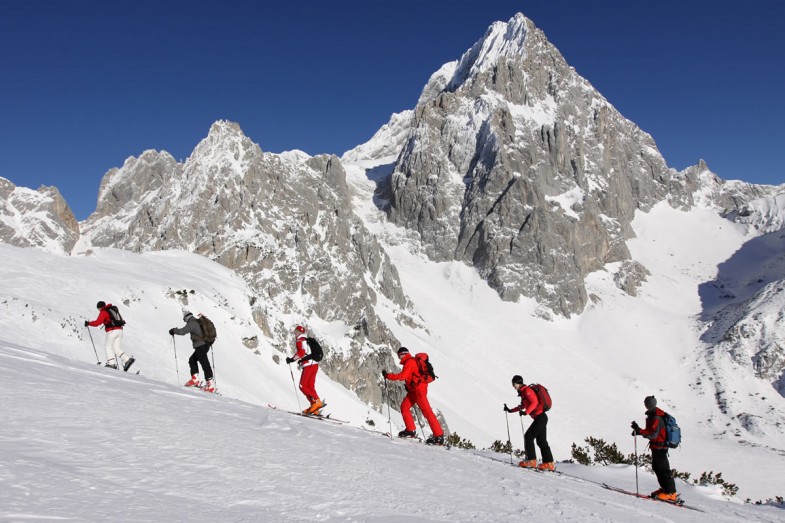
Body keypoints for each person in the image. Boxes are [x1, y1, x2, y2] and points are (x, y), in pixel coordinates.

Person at [382, 347, 444, 445]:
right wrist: (409, 386)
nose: (399, 358)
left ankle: (439, 436)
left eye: (399, 355)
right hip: (414, 390)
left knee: (427, 412)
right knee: (404, 407)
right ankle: (410, 430)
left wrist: (388, 376)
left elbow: (402, 376)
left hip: (419, 391)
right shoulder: (410, 362)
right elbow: (412, 376)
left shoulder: (409, 362)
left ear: (403, 354)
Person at [631, 396, 679, 501]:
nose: (645, 404)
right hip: (657, 446)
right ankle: (665, 489)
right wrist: (639, 430)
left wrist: (639, 431)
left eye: (646, 403)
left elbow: (653, 435)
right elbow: (651, 433)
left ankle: (671, 493)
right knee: (657, 468)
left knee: (663, 470)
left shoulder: (656, 417)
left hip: (660, 447)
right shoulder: (654, 415)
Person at [505, 375, 554, 471]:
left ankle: (531, 461)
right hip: (541, 418)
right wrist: (510, 410)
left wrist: (526, 412)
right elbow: (523, 406)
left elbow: (534, 403)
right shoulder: (524, 393)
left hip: (540, 418)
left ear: (518, 383)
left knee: (529, 436)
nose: (513, 386)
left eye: (514, 384)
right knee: (541, 441)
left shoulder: (527, 391)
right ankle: (549, 463)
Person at [169, 311, 215, 393]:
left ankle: (209, 385)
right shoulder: (197, 321)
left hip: (200, 346)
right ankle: (195, 380)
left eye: (184, 319)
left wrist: (173, 330)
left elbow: (183, 331)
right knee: (192, 360)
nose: (185, 321)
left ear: (186, 317)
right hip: (205, 345)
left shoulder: (192, 323)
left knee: (204, 364)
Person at [85, 301, 134, 371]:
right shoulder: (112, 309)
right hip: (120, 331)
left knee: (108, 346)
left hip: (112, 331)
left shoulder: (103, 312)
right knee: (116, 348)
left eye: (98, 309)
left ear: (100, 307)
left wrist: (88, 323)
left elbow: (97, 322)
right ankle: (127, 360)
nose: (98, 310)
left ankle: (111, 364)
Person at [286, 325, 323, 415]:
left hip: (308, 365)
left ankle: (317, 402)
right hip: (314, 365)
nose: (294, 334)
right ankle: (315, 407)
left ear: (298, 333)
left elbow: (301, 352)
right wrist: (301, 361)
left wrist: (292, 359)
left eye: (295, 332)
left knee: (303, 386)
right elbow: (307, 352)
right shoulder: (307, 340)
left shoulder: (300, 340)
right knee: (310, 386)